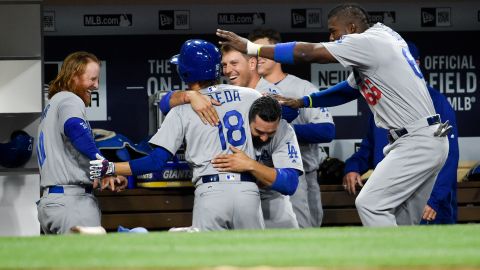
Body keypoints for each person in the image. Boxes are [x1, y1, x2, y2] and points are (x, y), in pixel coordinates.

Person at [216, 3, 450, 226]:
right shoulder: (378, 42)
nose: (330, 38)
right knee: (403, 220)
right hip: (424, 138)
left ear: (352, 29)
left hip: (416, 140)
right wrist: (303, 102)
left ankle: (385, 263)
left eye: (333, 31)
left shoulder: (367, 42)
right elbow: (347, 90)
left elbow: (309, 52)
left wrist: (252, 48)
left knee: (370, 204)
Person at [90, 40, 297, 231]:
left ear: (184, 73)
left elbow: (155, 162)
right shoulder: (250, 95)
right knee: (252, 260)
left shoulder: (181, 109)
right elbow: (290, 111)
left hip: (211, 193)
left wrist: (110, 167)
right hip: (247, 192)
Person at [343, 42, 459, 224]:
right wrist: (353, 167)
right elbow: (369, 147)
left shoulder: (435, 102)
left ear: (416, 66)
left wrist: (434, 199)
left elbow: (448, 156)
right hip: (394, 196)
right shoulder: (384, 103)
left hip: (427, 202)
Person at [248, 28, 335, 228]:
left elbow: (326, 131)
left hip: (299, 176)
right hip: (257, 179)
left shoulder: (303, 88)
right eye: (254, 52)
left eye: (264, 50)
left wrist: (278, 131)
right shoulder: (247, 90)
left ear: (277, 53)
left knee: (304, 236)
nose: (258, 56)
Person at [36, 51, 128, 234]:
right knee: (87, 262)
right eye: (92, 79)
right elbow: (75, 129)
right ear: (73, 77)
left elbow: (72, 152)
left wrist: (103, 174)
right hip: (72, 204)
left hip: (53, 202)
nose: (96, 85)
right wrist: (105, 166)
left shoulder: (53, 104)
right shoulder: (70, 99)